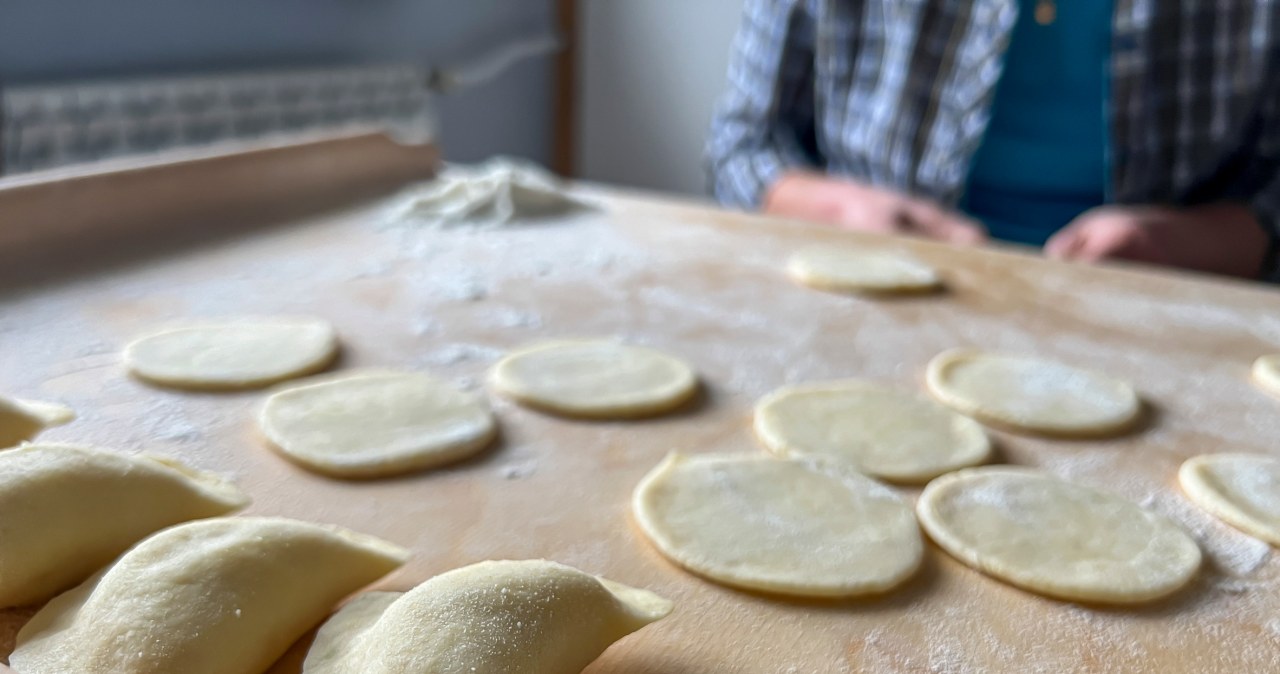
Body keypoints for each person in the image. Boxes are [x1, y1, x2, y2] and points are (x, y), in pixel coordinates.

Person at [707, 0, 1280, 280]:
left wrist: (1182, 244)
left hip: (1167, 312)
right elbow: (743, 145)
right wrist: (846, 210)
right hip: (877, 292)